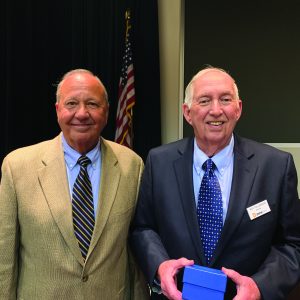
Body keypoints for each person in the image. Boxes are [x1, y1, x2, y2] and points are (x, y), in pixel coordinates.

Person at [130, 66, 300, 300]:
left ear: (238, 109)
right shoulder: (159, 162)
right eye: (204, 100)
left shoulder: (276, 167)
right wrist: (160, 266)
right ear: (187, 112)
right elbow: (143, 228)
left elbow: (292, 245)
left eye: (226, 99)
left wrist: (259, 287)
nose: (216, 110)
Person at [0, 69, 149, 299]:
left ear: (107, 112)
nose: (82, 113)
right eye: (71, 103)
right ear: (57, 110)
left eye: (92, 104)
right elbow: (5, 259)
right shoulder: (18, 167)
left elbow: (135, 257)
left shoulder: (132, 166)